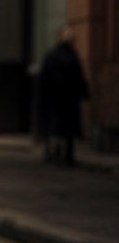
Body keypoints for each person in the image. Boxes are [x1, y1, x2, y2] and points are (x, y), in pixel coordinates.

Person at [34, 25, 90, 165]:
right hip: (66, 98)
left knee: (57, 127)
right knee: (65, 128)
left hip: (57, 98)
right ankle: (65, 155)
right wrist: (84, 93)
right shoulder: (70, 56)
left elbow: (44, 80)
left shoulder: (53, 55)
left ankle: (55, 152)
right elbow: (78, 77)